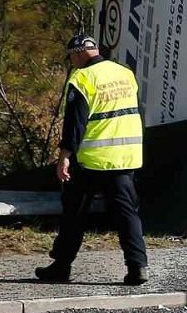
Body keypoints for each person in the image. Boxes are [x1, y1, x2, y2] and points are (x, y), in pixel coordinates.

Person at [35, 35, 148, 285]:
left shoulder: (82, 78)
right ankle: (138, 267)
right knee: (127, 213)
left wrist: (65, 156)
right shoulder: (124, 73)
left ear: (77, 54)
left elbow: (75, 124)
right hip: (126, 157)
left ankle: (61, 267)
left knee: (74, 214)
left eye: (72, 57)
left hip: (92, 159)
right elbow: (136, 110)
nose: (72, 62)